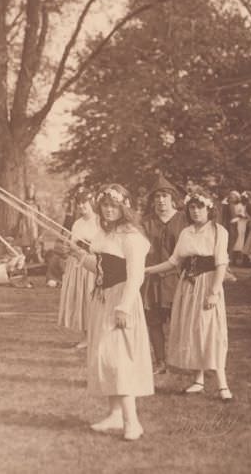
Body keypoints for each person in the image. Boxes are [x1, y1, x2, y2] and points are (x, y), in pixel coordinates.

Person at [70, 184, 153, 441]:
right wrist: (80, 256)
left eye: (114, 205)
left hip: (121, 300)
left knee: (119, 359)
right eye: (104, 205)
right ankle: (115, 414)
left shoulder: (132, 237)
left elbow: (135, 276)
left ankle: (133, 422)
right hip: (102, 299)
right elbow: (102, 268)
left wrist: (124, 307)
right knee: (104, 356)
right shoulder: (104, 234)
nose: (108, 210)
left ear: (124, 208)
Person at [145, 187, 233, 401]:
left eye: (199, 207)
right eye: (191, 208)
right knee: (192, 329)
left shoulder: (218, 231)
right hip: (187, 285)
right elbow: (173, 261)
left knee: (210, 330)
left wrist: (213, 292)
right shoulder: (186, 232)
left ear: (209, 208)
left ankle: (222, 384)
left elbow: (221, 263)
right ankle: (198, 380)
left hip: (208, 283)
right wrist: (147, 270)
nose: (195, 211)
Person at [140, 173, 188, 375]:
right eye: (157, 197)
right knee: (154, 321)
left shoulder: (184, 220)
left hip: (178, 278)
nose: (160, 200)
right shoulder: (145, 222)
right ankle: (160, 362)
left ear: (172, 198)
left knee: (182, 322)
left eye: (164, 196)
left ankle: (186, 361)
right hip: (151, 278)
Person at [57, 188, 100, 349]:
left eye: (85, 203)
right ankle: (86, 336)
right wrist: (69, 247)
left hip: (92, 264)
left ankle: (95, 335)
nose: (82, 206)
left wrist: (85, 246)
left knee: (90, 297)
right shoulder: (77, 223)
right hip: (77, 264)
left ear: (92, 203)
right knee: (80, 298)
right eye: (79, 203)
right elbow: (72, 242)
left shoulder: (99, 221)